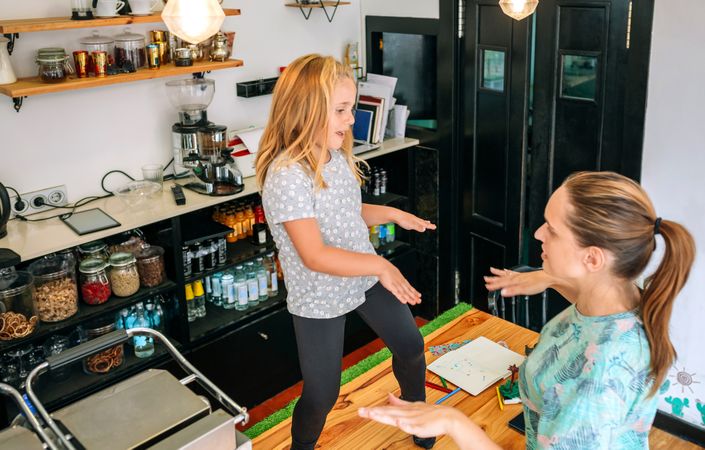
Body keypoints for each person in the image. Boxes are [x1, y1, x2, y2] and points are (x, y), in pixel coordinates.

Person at [359, 171, 696, 449]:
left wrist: (453, 421)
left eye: (552, 229)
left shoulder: (600, 379)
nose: (538, 234)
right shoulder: (621, 297)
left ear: (592, 259)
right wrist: (550, 280)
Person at [255, 54, 437, 450]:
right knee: (322, 395)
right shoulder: (287, 176)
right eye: (340, 110)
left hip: (362, 277)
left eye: (350, 108)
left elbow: (342, 212)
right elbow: (315, 254)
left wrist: (389, 213)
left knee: (411, 346)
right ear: (305, 111)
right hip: (319, 293)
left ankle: (417, 415)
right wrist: (379, 264)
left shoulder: (334, 157)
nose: (351, 119)